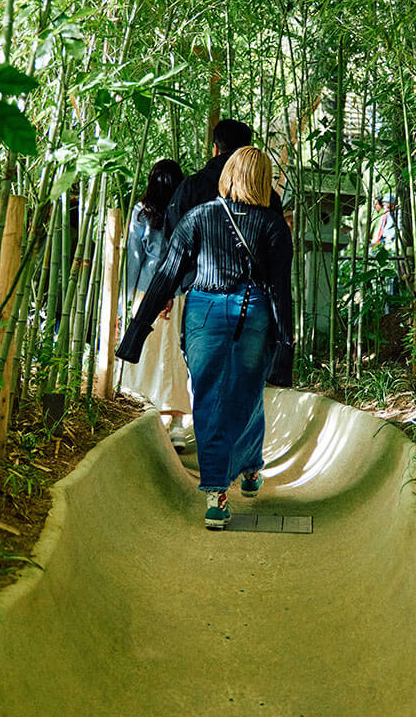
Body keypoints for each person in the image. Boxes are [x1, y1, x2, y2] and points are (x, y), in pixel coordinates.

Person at [117, 147, 294, 530]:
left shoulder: (198, 216)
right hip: (255, 314)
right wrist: (286, 348)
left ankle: (218, 494)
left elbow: (166, 277)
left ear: (227, 174)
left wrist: (136, 332)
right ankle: (248, 469)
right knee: (247, 395)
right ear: (264, 181)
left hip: (203, 314)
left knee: (210, 397)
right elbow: (281, 291)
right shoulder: (275, 226)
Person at [120, 159, 192, 452]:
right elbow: (191, 258)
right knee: (172, 354)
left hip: (146, 293)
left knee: (145, 354)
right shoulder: (187, 213)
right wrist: (179, 290)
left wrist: (126, 300)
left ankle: (142, 416)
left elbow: (134, 259)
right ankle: (175, 425)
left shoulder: (141, 213)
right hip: (176, 295)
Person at [164, 118, 284, 235]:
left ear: (215, 149)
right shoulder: (264, 193)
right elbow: (279, 242)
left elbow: (173, 231)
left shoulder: (192, 187)